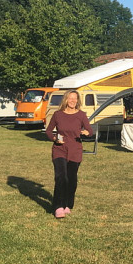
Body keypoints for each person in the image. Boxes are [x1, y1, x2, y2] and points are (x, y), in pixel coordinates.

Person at [45, 90, 93, 219]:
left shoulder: (81, 115)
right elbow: (48, 131)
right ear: (66, 100)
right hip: (59, 149)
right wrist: (55, 139)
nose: (73, 101)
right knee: (61, 177)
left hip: (75, 150)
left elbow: (90, 130)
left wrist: (87, 133)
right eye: (70, 98)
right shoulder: (58, 114)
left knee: (71, 179)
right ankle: (58, 207)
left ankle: (67, 204)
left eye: (75, 99)